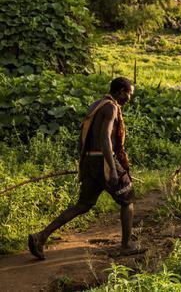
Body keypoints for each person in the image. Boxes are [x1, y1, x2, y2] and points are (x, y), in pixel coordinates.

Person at [28, 77, 141, 259]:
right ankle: (126, 245)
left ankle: (41, 236)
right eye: (129, 94)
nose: (129, 98)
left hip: (90, 160)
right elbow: (105, 138)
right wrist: (111, 169)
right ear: (120, 91)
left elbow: (82, 137)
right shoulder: (111, 108)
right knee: (127, 200)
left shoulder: (96, 105)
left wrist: (86, 163)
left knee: (83, 204)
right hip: (104, 160)